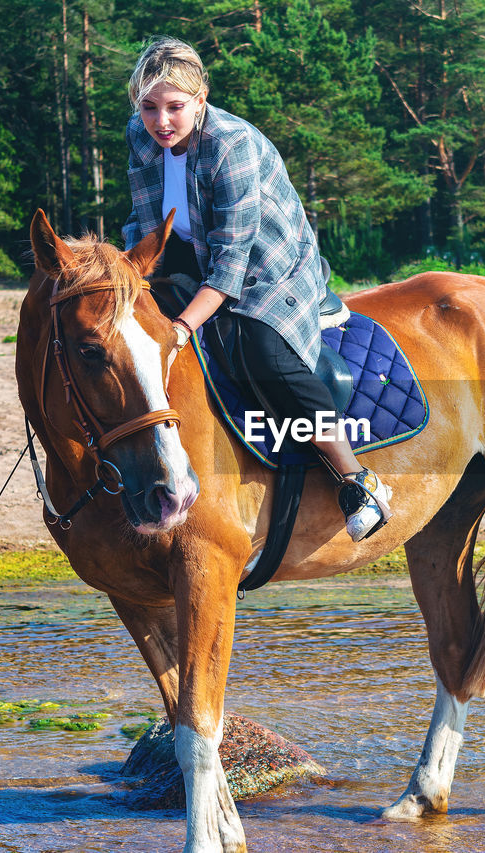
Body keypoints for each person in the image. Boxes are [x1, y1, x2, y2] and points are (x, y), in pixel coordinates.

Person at [122, 35, 390, 542]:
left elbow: (231, 265)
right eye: (150, 107)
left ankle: (356, 478)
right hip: (186, 254)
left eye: (175, 107)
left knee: (259, 350)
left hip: (267, 267)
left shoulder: (232, 144)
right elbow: (143, 221)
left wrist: (181, 327)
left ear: (200, 100)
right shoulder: (139, 135)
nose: (162, 122)